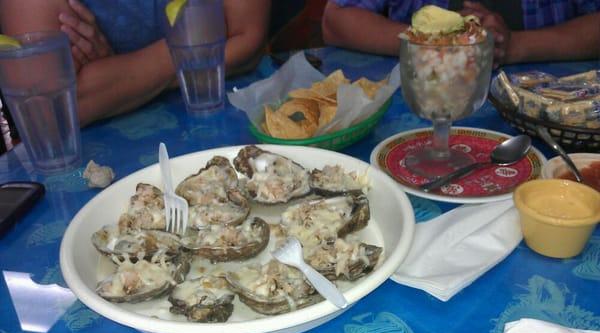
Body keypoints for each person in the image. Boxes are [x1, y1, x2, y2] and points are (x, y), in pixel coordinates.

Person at [0, 0, 271, 126]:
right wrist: (197, 42)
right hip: (94, 162)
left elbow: (247, 40)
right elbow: (51, 111)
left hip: (231, 119)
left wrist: (116, 75)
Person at [322, 0, 600, 67]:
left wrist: (515, 46)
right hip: (418, 100)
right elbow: (337, 20)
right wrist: (432, 41)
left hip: (559, 109)